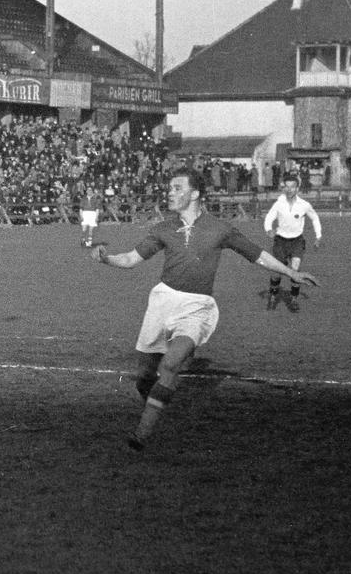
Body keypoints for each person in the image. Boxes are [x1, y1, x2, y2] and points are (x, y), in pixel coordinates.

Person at [93, 169, 319, 451]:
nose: (170, 192)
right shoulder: (163, 228)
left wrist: (291, 273)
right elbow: (130, 259)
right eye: (170, 188)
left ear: (196, 193)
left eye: (177, 188)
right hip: (163, 302)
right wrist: (106, 259)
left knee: (172, 363)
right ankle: (154, 396)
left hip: (197, 306)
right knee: (145, 376)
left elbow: (256, 254)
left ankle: (142, 433)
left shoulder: (220, 229)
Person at [262, 173, 322, 312]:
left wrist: (318, 236)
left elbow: (315, 218)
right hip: (280, 242)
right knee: (277, 272)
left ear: (297, 188)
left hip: (297, 241)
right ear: (283, 188)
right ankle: (272, 296)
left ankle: (294, 300)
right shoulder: (278, 204)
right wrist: (268, 229)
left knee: (295, 269)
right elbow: (269, 217)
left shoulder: (304, 205)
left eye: (292, 187)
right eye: (286, 187)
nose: (289, 190)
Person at [79, 182, 102, 248]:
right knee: (84, 229)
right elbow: (81, 208)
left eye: (90, 190)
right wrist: (81, 216)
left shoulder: (95, 199)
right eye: (88, 190)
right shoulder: (83, 199)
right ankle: (83, 239)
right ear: (86, 191)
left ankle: (89, 243)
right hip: (85, 213)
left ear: (92, 191)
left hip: (92, 214)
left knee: (91, 229)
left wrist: (96, 217)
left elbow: (97, 209)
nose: (89, 191)